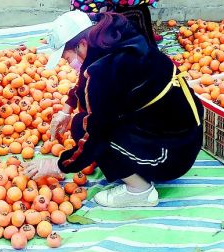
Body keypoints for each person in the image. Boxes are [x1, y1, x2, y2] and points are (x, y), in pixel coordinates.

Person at [23, 11, 204, 208]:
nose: (69, 65)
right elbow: (89, 75)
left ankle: (139, 191)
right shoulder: (117, 39)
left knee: (89, 132)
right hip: (184, 136)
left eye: (67, 59)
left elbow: (96, 134)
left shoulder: (103, 72)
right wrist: (67, 109)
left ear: (82, 44)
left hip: (171, 156)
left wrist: (60, 165)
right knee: (80, 122)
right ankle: (132, 165)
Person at [70, 0, 163, 46]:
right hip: (89, 24)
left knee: (134, 9)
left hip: (89, 16)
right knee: (140, 11)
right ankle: (151, 49)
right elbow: (126, 1)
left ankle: (145, 35)